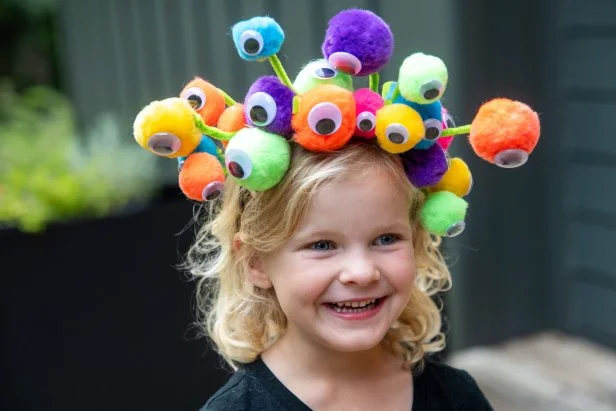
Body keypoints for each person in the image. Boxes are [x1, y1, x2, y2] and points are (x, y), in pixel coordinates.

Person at [185, 141, 494, 410]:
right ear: (255, 263)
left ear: (416, 241)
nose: (361, 273)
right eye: (322, 245)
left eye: (386, 239)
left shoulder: (456, 396)